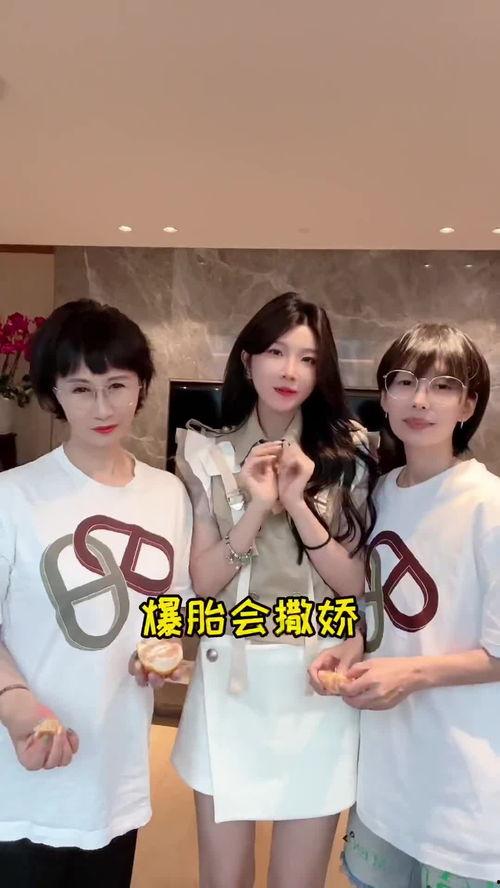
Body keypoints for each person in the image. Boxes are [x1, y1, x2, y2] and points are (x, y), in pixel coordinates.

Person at [171, 292, 377, 888]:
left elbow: (352, 583)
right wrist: (256, 507)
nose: (290, 371)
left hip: (316, 678)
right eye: (276, 353)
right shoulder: (204, 451)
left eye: (308, 359)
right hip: (228, 675)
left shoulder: (349, 455)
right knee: (224, 879)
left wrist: (297, 503)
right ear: (247, 360)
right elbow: (204, 583)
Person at [0, 299, 192, 887]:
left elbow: (172, 603)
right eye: (81, 389)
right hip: (24, 774)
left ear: (141, 388)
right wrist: (17, 708)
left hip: (114, 774)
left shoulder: (169, 494)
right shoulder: (13, 495)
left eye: (117, 386)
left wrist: (163, 651)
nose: (103, 407)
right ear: (54, 394)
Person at [310, 322, 500, 888]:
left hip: (464, 795)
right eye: (405, 382)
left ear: (468, 406)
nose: (420, 400)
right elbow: (377, 605)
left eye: (443, 387)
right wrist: (349, 648)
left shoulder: (488, 507)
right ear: (384, 396)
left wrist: (411, 674)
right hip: (383, 787)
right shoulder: (381, 493)